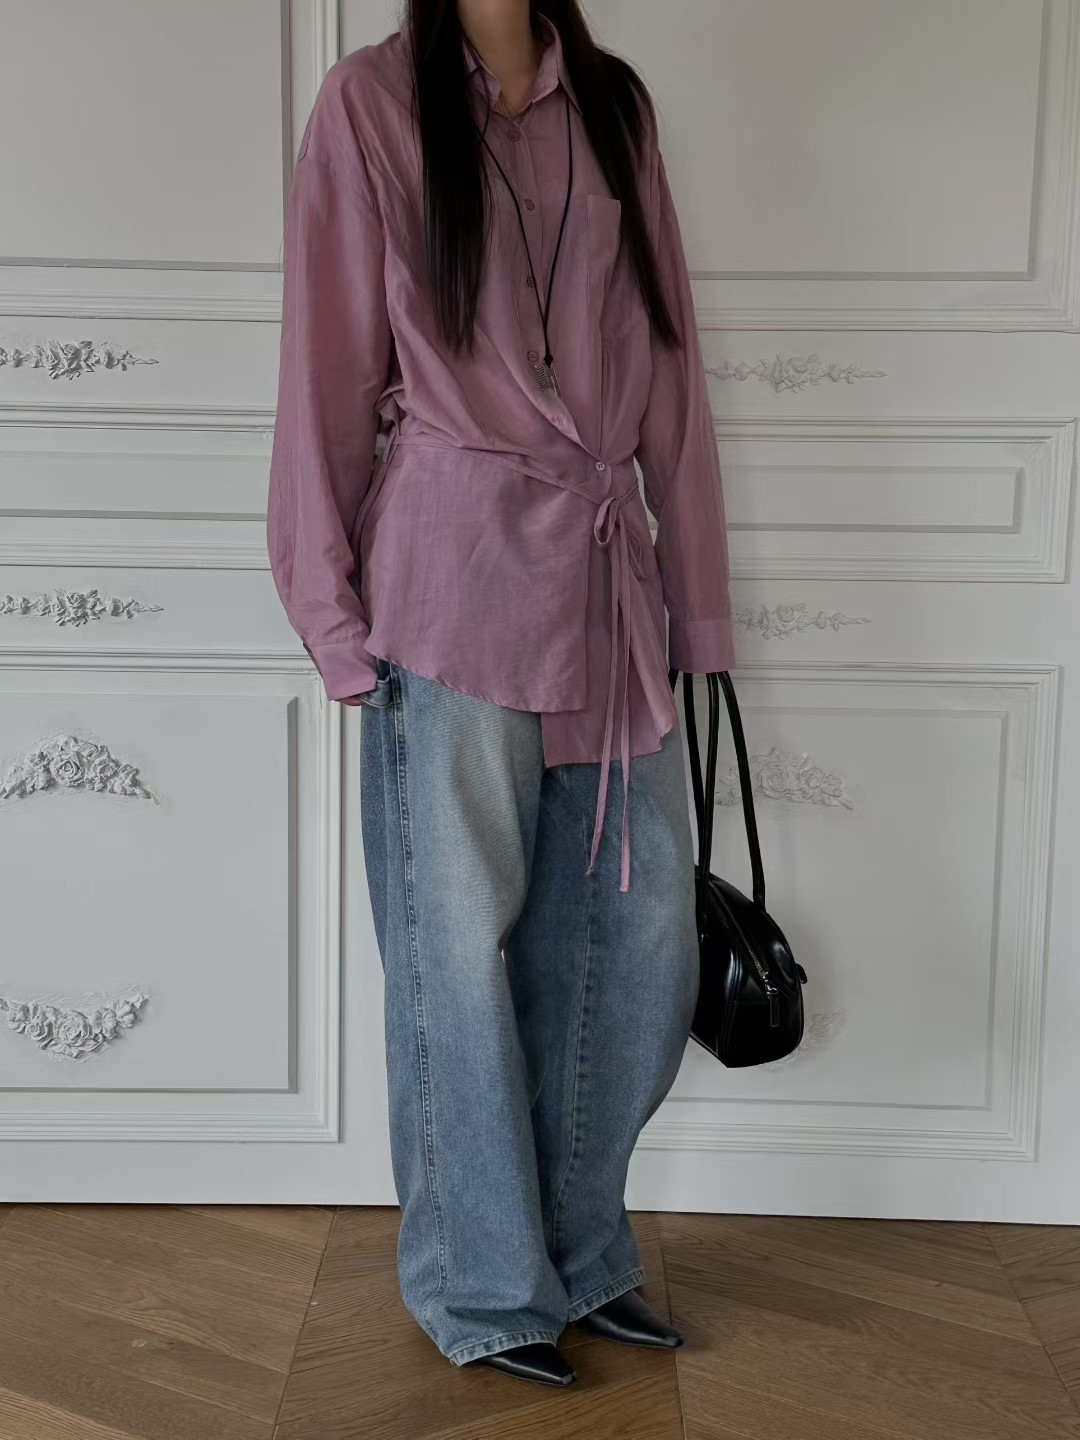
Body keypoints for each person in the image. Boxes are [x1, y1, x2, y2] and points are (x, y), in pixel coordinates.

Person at [267, 0, 733, 1389]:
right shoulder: (370, 103)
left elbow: (669, 367)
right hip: (450, 586)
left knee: (637, 944)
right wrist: (329, 610)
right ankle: (485, 1285)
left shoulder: (615, 105)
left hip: (606, 592)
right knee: (454, 957)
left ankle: (583, 1254)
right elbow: (325, 368)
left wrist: (698, 605)